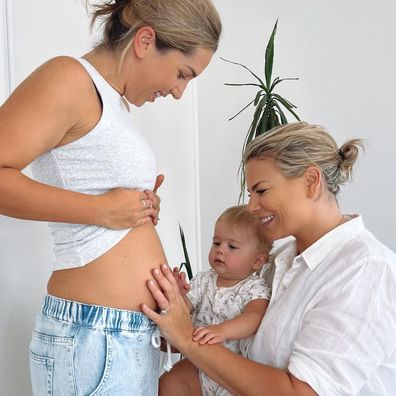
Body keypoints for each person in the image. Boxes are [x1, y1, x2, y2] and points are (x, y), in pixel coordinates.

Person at [0, 0, 221, 394]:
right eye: (182, 74)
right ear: (145, 40)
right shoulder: (68, 77)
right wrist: (100, 210)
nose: (178, 92)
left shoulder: (112, 102)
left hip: (121, 335)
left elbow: (93, 191)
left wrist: (139, 209)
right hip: (92, 335)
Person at [142, 121, 396, 395]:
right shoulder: (279, 262)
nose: (251, 206)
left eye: (261, 191)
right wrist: (179, 317)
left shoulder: (365, 270)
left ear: (311, 182)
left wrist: (188, 340)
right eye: (250, 193)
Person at [161, 205, 272, 395]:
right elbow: (184, 308)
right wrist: (178, 297)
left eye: (232, 246)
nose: (220, 250)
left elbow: (254, 317)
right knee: (170, 381)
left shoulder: (254, 288)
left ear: (257, 261)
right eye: (216, 243)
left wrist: (223, 330)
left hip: (233, 368)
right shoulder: (204, 280)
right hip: (197, 363)